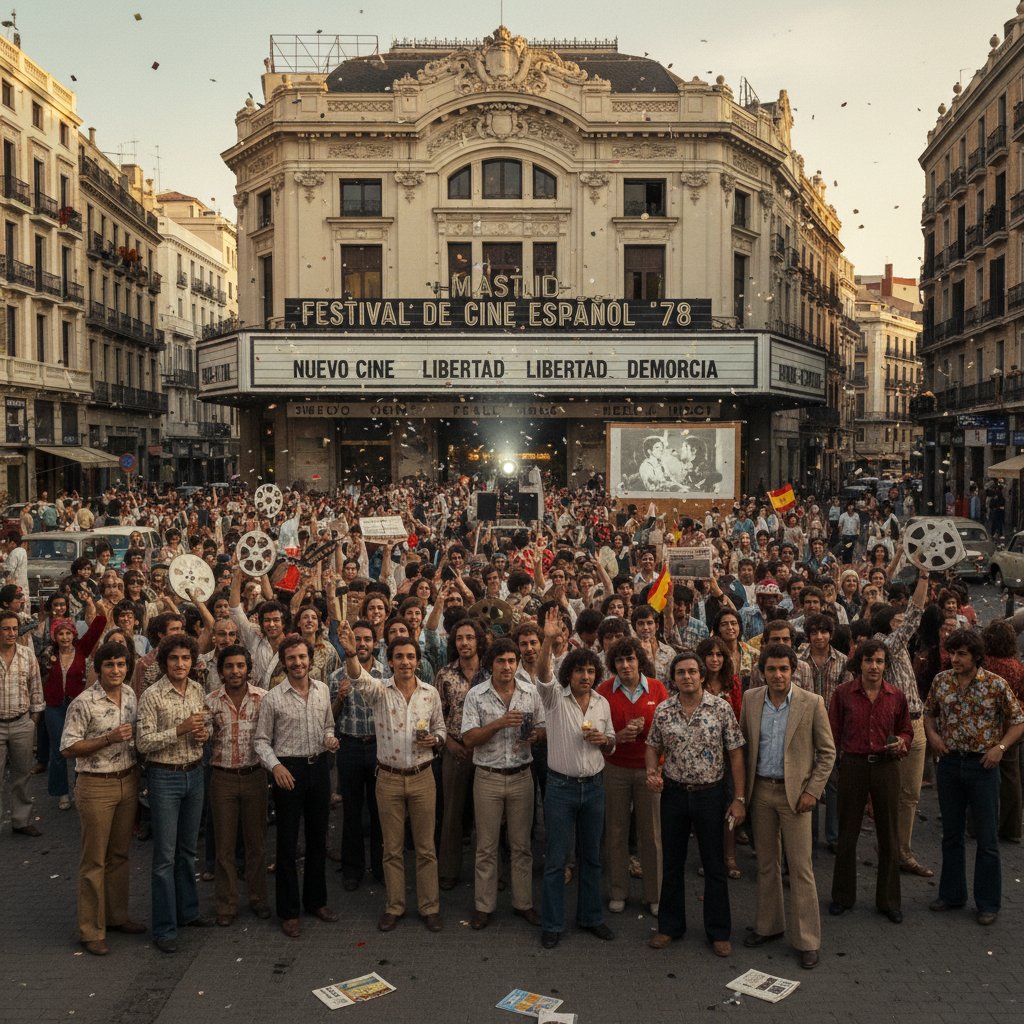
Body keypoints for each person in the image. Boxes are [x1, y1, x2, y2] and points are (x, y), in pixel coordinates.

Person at [337, 621, 446, 934]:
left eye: (411, 657)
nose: (406, 662)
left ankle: (429, 907)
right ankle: (394, 906)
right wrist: (349, 652)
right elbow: (357, 677)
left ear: (417, 660)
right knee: (392, 848)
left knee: (425, 848)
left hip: (423, 776)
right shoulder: (378, 691)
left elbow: (441, 729)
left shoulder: (430, 694)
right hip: (388, 778)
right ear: (392, 661)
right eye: (399, 657)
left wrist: (435, 741)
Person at [739, 643, 836, 970]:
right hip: (761, 792)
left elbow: (827, 752)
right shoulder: (751, 700)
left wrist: (813, 791)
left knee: (801, 868)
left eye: (783, 669)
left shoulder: (812, 703)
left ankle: (807, 940)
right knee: (766, 864)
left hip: (797, 797)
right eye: (771, 669)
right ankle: (768, 926)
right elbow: (744, 745)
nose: (778, 675)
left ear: (793, 670)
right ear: (762, 671)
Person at [645, 651, 746, 957]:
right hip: (674, 794)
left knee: (714, 864)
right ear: (673, 678)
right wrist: (652, 771)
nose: (686, 677)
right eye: (680, 672)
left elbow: (736, 754)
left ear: (702, 676)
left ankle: (718, 931)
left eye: (692, 671)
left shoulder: (721, 709)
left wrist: (739, 798)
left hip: (710, 795)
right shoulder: (663, 710)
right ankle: (669, 927)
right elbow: (652, 746)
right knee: (673, 863)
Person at [924, 629, 1024, 926]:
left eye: (962, 654)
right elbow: (929, 713)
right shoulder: (942, 681)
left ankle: (987, 902)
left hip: (983, 767)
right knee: (951, 834)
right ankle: (952, 893)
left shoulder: (995, 685)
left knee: (987, 838)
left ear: (976, 656)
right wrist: (933, 737)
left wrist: (1000, 748)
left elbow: (1018, 722)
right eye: (953, 653)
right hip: (951, 765)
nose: (955, 659)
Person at [59, 640, 145, 955]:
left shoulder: (132, 696)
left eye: (121, 664)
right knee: (94, 859)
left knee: (119, 855)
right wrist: (107, 738)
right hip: (95, 785)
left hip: (127, 779)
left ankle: (117, 916)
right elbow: (68, 748)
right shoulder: (84, 702)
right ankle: (91, 930)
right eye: (110, 665)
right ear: (100, 668)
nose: (116, 670)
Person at [253, 633, 339, 938]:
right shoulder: (273, 698)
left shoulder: (323, 690)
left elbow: (329, 724)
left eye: (302, 657)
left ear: (310, 659)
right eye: (291, 658)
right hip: (289, 771)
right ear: (284, 662)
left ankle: (316, 901)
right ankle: (288, 912)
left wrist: (329, 738)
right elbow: (261, 741)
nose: (298, 663)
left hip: (318, 770)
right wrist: (276, 766)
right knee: (287, 844)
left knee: (317, 839)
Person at [535, 638, 616, 949]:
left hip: (594, 787)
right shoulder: (555, 697)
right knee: (556, 860)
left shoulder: (601, 703)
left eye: (591, 670)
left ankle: (591, 917)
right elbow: (543, 672)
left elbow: (610, 741)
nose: (586, 676)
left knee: (591, 858)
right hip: (560, 788)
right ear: (568, 673)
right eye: (580, 670)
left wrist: (604, 741)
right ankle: (552, 923)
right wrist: (547, 640)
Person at [461, 638, 545, 930]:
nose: (507, 666)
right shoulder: (476, 695)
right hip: (488, 777)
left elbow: (543, 727)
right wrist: (499, 723)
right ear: (491, 664)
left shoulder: (530, 692)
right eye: (501, 661)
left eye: (512, 660)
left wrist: (536, 736)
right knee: (486, 846)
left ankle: (524, 903)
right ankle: (484, 906)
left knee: (522, 846)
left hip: (522, 775)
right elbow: (469, 739)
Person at [135, 635, 213, 953]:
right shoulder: (152, 696)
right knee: (164, 858)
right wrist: (179, 730)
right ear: (165, 662)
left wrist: (202, 732)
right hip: (164, 777)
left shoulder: (197, 689)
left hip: (194, 774)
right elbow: (143, 743)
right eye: (174, 659)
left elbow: (203, 726)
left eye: (185, 659)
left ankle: (188, 912)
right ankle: (164, 928)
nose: (180, 664)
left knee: (187, 851)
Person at [827, 640, 912, 924]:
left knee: (888, 833)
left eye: (878, 661)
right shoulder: (843, 694)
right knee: (847, 832)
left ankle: (888, 901)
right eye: (868, 661)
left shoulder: (896, 695)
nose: (873, 666)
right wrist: (832, 767)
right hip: (853, 765)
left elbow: (906, 730)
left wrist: (902, 742)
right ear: (859, 664)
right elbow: (832, 734)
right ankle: (842, 896)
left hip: (887, 766)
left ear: (886, 664)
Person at [597, 636, 668, 915]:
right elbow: (597, 734)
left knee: (651, 833)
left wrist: (661, 766)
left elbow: (667, 731)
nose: (625, 665)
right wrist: (617, 737)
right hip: (614, 768)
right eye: (620, 660)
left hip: (649, 770)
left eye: (630, 659)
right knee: (615, 830)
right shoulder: (603, 691)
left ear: (640, 660)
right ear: (613, 664)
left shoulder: (657, 689)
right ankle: (618, 890)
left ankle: (655, 893)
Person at [205, 644, 271, 927]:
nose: (235, 671)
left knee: (256, 844)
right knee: (225, 847)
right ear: (221, 671)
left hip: (255, 776)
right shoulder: (210, 701)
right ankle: (227, 904)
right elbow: (205, 736)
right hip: (222, 779)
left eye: (240, 666)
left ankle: (258, 898)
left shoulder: (263, 699)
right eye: (229, 666)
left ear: (248, 669)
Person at [327, 619, 383, 891]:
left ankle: (381, 867)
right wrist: (339, 699)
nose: (361, 644)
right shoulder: (337, 677)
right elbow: (330, 719)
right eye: (357, 639)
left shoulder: (386, 674)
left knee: (379, 810)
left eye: (366, 639)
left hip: (378, 748)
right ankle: (352, 869)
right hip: (349, 747)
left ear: (374, 643)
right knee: (351, 811)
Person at [434, 617, 487, 890]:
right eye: (459, 638)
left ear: (479, 640)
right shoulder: (445, 674)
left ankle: (489, 873)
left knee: (486, 818)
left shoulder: (491, 672)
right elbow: (436, 715)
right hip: (454, 750)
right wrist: (449, 745)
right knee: (452, 813)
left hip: (486, 750)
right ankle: (448, 870)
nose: (465, 643)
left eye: (470, 637)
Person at [0, 608, 44, 836]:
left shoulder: (27, 654)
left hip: (21, 723)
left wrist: (34, 719)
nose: (11, 633)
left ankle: (21, 820)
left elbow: (36, 687)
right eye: (6, 629)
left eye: (14, 629)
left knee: (22, 774)